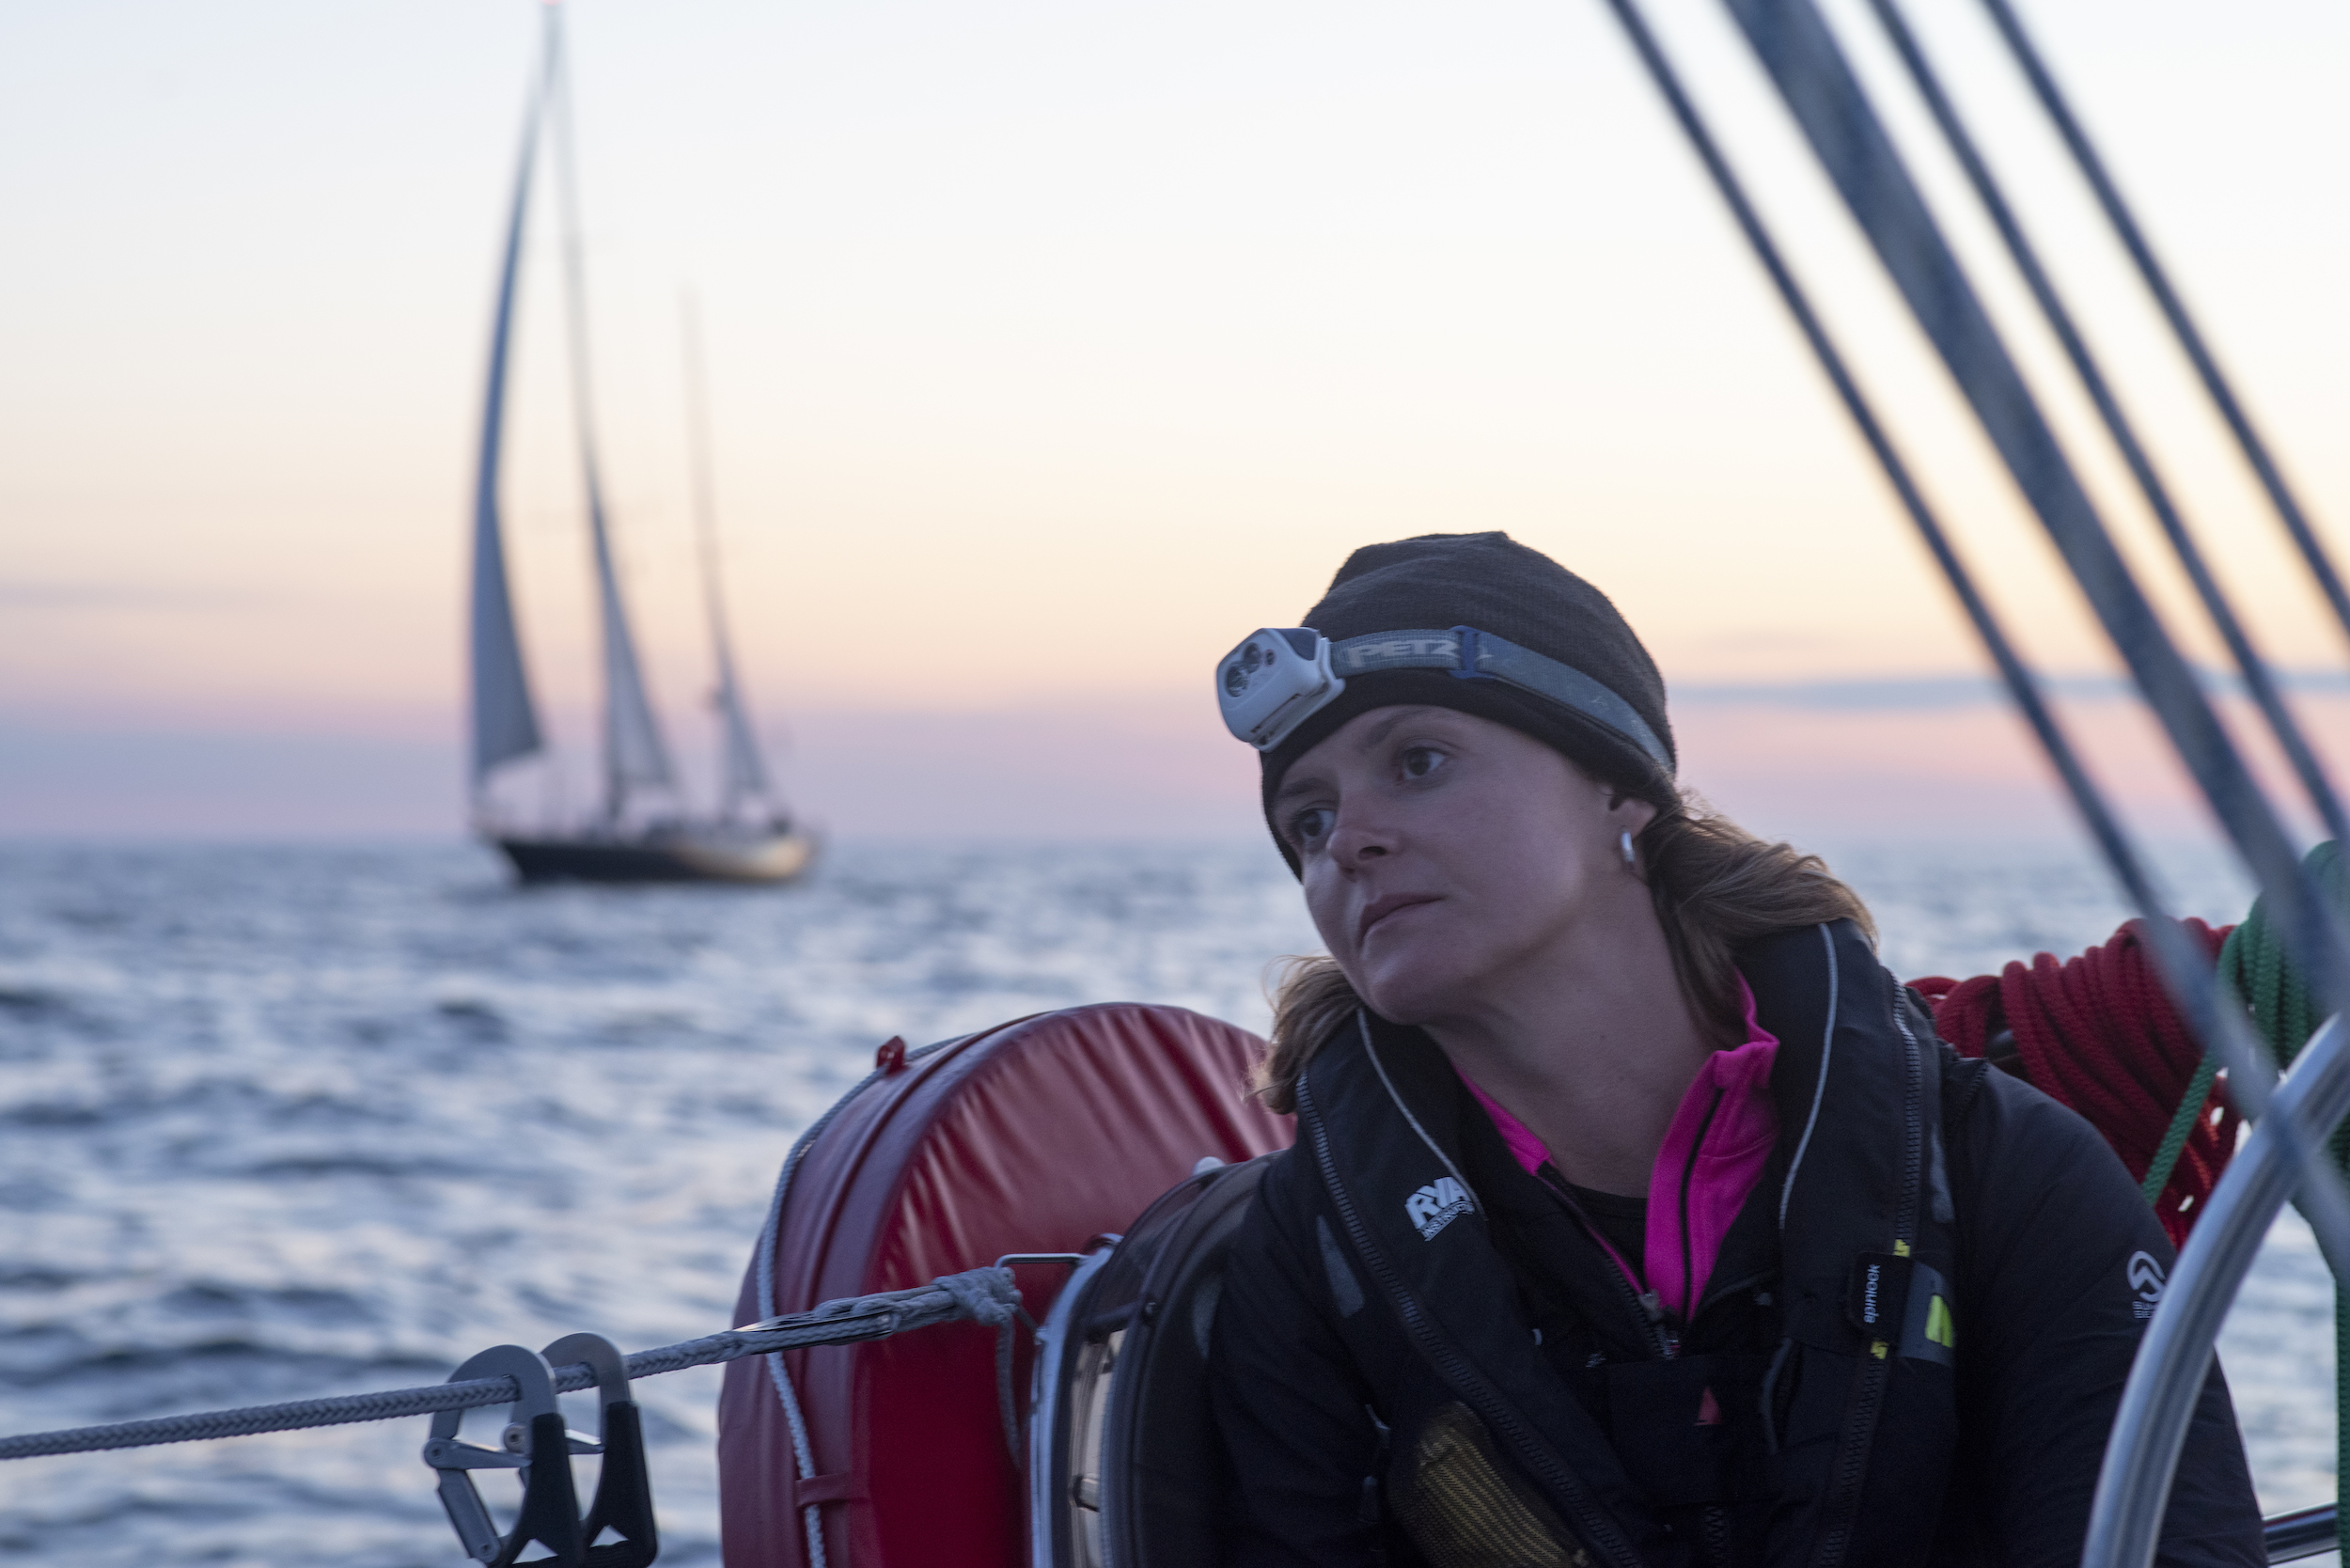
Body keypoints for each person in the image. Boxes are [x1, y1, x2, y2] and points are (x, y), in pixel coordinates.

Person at [1204, 532, 2262, 1567]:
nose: (1349, 842)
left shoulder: (2003, 1174)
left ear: (1619, 788)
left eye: (1418, 762)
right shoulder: (1311, 1261)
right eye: (1308, 820)